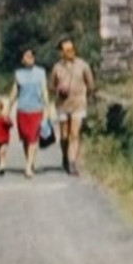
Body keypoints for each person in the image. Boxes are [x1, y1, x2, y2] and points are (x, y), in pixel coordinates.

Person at [50, 37, 96, 176]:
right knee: (64, 135)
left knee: (74, 134)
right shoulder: (57, 68)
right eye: (67, 50)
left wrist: (85, 95)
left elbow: (91, 84)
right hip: (62, 105)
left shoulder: (83, 65)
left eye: (72, 49)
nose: (71, 52)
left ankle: (72, 162)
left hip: (78, 104)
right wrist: (59, 89)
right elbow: (51, 86)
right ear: (61, 53)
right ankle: (65, 156)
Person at [7, 48, 50, 178]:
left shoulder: (41, 72)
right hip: (22, 110)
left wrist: (47, 108)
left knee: (33, 139)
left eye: (31, 56)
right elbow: (14, 92)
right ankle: (30, 163)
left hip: (36, 110)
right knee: (26, 139)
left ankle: (28, 167)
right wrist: (8, 109)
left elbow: (44, 90)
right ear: (22, 59)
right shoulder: (18, 74)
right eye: (27, 56)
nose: (30, 58)